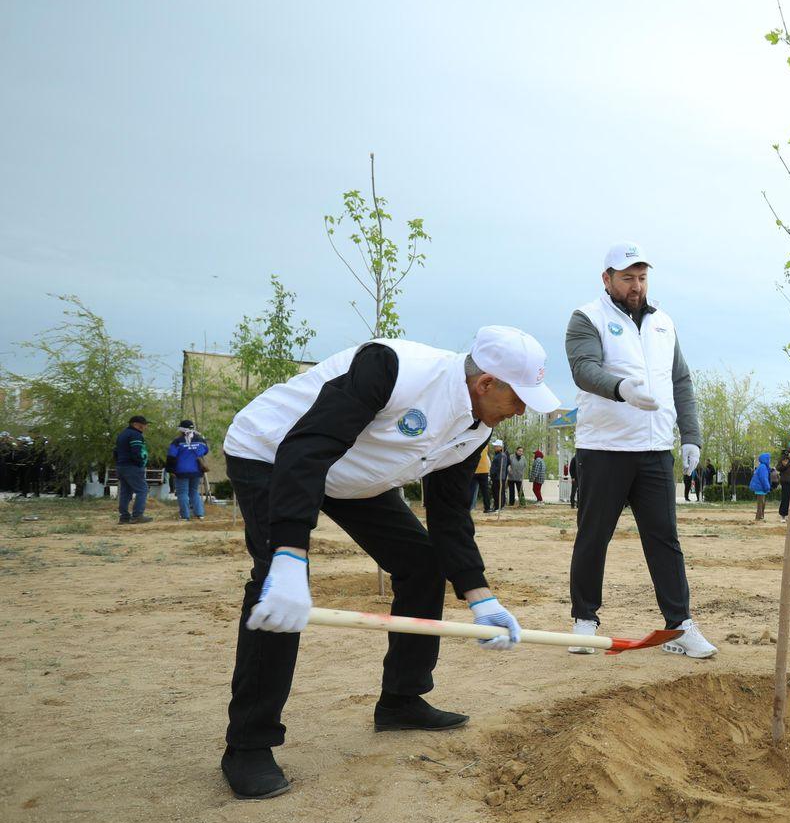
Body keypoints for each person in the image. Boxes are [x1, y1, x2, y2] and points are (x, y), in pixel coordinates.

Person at [217, 325, 559, 799]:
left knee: (422, 563)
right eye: (519, 399)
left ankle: (402, 698)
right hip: (274, 453)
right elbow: (307, 447)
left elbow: (450, 516)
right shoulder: (393, 368)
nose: (521, 411)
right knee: (275, 586)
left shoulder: (477, 427)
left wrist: (482, 597)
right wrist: (290, 554)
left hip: (354, 478)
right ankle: (248, 746)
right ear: (485, 384)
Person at [564, 241, 716, 658]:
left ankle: (679, 626)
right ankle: (585, 620)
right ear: (607, 278)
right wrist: (621, 389)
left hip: (653, 450)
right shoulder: (587, 318)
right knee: (594, 537)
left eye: (642, 278)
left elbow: (681, 381)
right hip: (604, 447)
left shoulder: (664, 323)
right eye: (627, 278)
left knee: (665, 539)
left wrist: (691, 436)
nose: (636, 286)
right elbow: (583, 369)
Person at [168, 420, 209, 521]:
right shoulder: (200, 440)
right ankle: (200, 514)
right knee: (194, 492)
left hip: (181, 471)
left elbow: (171, 456)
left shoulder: (177, 441)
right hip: (196, 470)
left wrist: (171, 470)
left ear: (181, 429)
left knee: (182, 493)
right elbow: (205, 451)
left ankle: (185, 516)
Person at [114, 414, 151, 524]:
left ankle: (124, 517)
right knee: (142, 490)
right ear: (135, 424)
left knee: (125, 492)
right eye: (143, 425)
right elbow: (136, 451)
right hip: (132, 467)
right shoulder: (135, 435)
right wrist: (139, 463)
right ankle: (137, 515)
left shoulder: (122, 434)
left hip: (121, 466)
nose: (145, 427)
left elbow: (115, 451)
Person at [777, 440, 790, 520]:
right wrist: (785, 465)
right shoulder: (785, 455)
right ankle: (783, 514)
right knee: (786, 498)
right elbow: (778, 467)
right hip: (786, 480)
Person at [750, 451, 772, 519]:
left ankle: (760, 516)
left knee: (761, 503)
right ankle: (759, 517)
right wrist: (767, 487)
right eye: (769, 459)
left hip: (760, 488)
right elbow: (763, 478)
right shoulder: (763, 467)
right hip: (761, 488)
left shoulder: (762, 466)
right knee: (761, 503)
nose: (769, 460)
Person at [472, 442, 492, 512]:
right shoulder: (486, 445)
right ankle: (487, 508)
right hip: (483, 470)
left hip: (475, 470)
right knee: (485, 491)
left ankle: (469, 507)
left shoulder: (473, 443)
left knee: (471, 490)